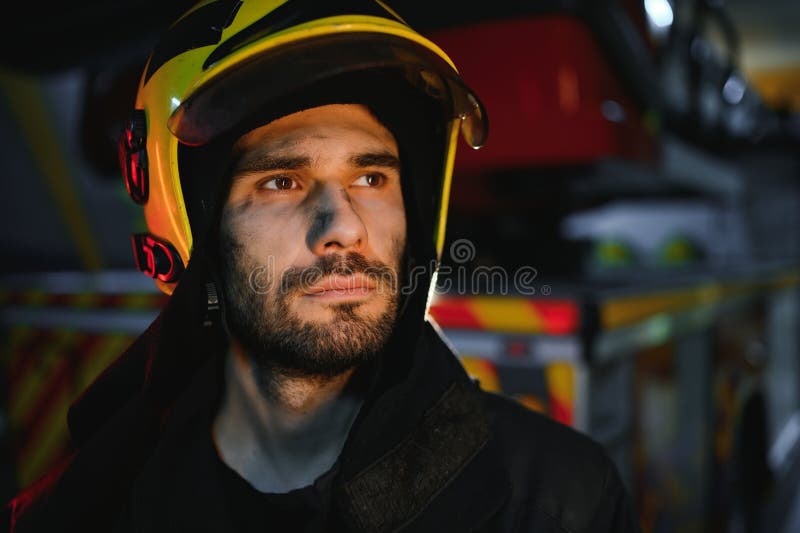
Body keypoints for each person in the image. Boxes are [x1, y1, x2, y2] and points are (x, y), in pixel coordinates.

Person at [3, 1, 641, 531]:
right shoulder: (81, 510)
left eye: (371, 176)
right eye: (281, 182)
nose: (344, 227)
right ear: (191, 224)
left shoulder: (562, 501)